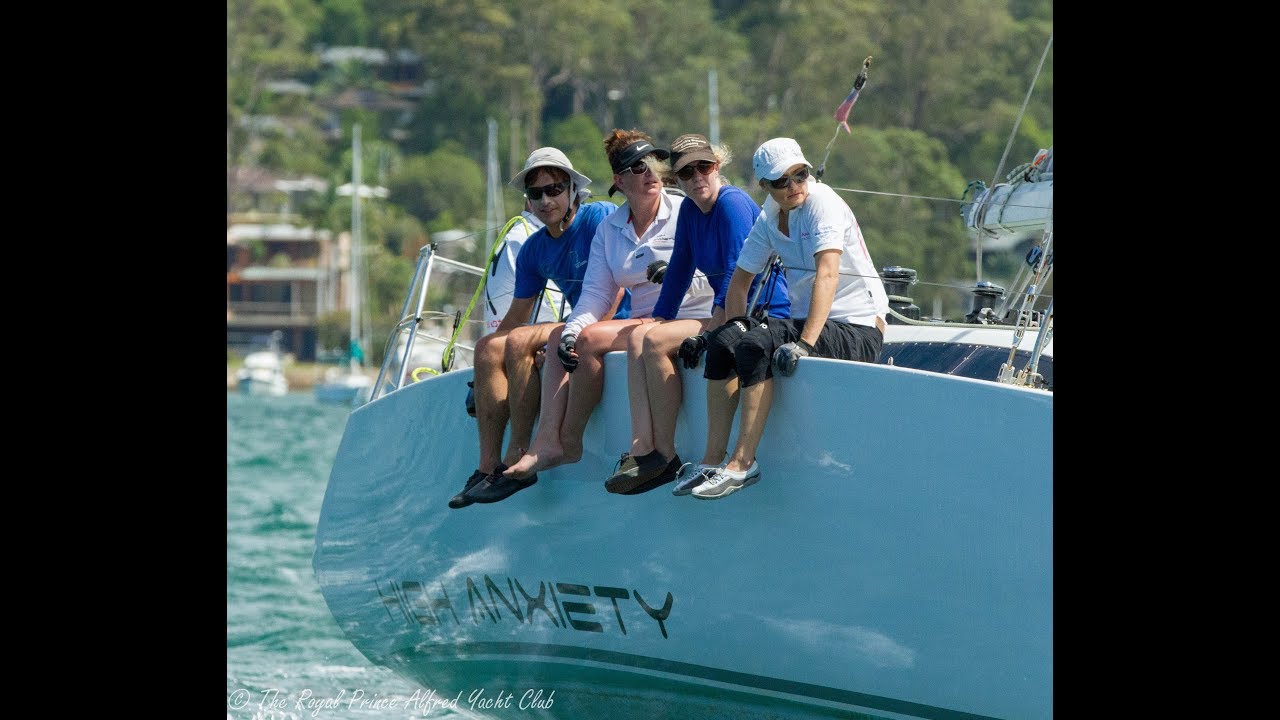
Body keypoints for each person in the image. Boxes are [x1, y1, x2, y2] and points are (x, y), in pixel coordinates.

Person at [500, 129, 713, 491]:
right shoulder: (611, 228)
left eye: (653, 164)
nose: (650, 173)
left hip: (699, 314)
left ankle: (641, 449)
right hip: (649, 321)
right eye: (637, 168)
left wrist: (674, 280)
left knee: (617, 337)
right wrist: (570, 332)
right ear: (619, 180)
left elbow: (721, 275)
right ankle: (558, 443)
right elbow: (597, 294)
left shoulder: (685, 212)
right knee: (567, 337)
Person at [687, 137, 889, 500]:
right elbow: (740, 282)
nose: (795, 186)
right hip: (811, 323)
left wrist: (805, 345)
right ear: (765, 186)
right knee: (723, 343)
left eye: (801, 175)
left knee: (755, 341)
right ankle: (712, 461)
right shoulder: (768, 216)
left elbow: (827, 274)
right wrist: (733, 327)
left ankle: (743, 464)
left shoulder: (821, 202)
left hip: (858, 327)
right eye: (783, 181)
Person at [606, 133, 790, 495]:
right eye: (686, 174)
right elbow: (679, 269)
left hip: (761, 310)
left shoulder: (731, 204)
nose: (698, 178)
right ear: (676, 181)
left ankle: (666, 454)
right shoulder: (690, 210)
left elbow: (740, 279)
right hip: (729, 310)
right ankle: (647, 449)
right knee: (642, 334)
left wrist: (708, 336)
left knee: (656, 342)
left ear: (717, 167)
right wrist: (659, 316)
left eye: (704, 167)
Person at [448, 147, 621, 508]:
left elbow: (617, 285)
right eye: (536, 193)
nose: (546, 200)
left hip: (617, 319)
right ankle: (487, 467)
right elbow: (515, 318)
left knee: (523, 341)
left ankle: (516, 456)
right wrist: (484, 372)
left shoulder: (598, 217)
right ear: (528, 202)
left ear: (573, 190)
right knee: (489, 347)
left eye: (555, 189)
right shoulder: (534, 250)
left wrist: (581, 337)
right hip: (580, 323)